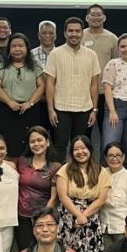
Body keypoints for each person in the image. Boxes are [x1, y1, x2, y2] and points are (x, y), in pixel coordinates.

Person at [56, 135, 111, 252]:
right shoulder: (65, 170)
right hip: (68, 220)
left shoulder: (102, 172)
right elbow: (62, 196)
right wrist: (77, 214)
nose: (80, 152)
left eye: (83, 148)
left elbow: (101, 199)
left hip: (91, 223)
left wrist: (85, 214)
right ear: (72, 152)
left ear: (90, 150)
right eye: (76, 149)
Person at [45, 17, 102, 154]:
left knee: (81, 148)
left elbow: (94, 85)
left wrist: (94, 110)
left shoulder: (91, 55)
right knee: (60, 146)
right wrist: (50, 109)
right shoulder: (55, 54)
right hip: (61, 108)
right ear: (64, 33)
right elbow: (50, 83)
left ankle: (79, 175)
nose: (74, 34)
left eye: (77, 31)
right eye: (70, 31)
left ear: (82, 33)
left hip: (84, 109)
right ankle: (59, 175)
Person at [0, 33, 44, 158]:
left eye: (21, 46)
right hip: (7, 109)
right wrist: (9, 102)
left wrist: (30, 103)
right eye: (13, 46)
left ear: (27, 48)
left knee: (30, 142)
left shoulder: (35, 65)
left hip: (30, 109)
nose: (17, 49)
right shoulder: (1, 64)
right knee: (9, 143)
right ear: (9, 48)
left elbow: (42, 86)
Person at [101, 33, 127, 165]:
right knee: (109, 145)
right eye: (123, 46)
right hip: (116, 105)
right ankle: (104, 178)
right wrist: (112, 111)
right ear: (118, 49)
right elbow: (108, 88)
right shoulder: (113, 64)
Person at [14, 127, 60, 250]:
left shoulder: (55, 167)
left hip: (44, 219)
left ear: (48, 142)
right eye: (32, 141)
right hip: (22, 217)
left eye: (40, 140)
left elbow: (54, 197)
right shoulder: (21, 162)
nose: (36, 144)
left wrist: (44, 217)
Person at [84, 4, 120, 133]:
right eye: (92, 15)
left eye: (99, 15)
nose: (95, 17)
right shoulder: (80, 36)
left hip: (105, 93)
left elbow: (118, 65)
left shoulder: (113, 39)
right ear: (87, 17)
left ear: (104, 18)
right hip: (84, 92)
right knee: (84, 132)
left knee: (106, 133)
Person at [101, 142, 127, 245]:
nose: (114, 158)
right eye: (110, 155)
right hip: (102, 228)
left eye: (118, 155)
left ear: (123, 157)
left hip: (121, 230)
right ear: (105, 158)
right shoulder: (100, 174)